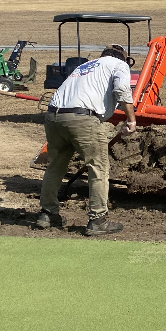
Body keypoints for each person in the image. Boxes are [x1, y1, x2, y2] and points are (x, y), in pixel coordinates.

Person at [37, 44, 136, 236]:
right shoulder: (119, 64)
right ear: (123, 58)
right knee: (98, 167)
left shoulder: (85, 66)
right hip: (83, 118)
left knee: (55, 166)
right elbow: (122, 88)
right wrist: (131, 119)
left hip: (54, 116)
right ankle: (97, 219)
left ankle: (47, 214)